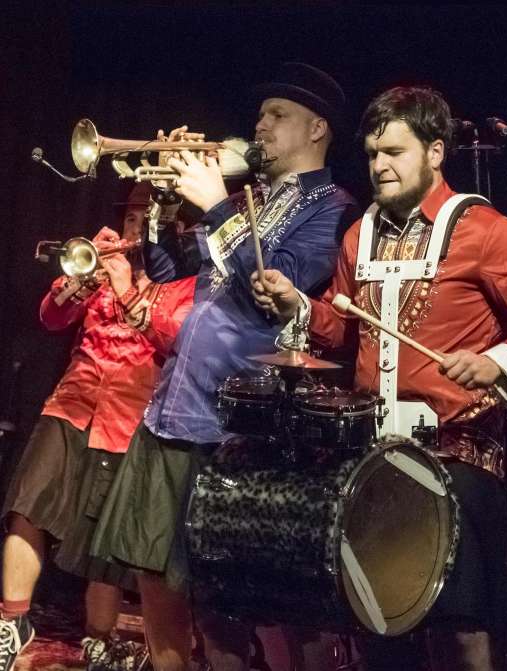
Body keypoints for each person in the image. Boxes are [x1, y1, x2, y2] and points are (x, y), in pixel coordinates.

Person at [251, 85, 507, 671]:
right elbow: (345, 328)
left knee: (463, 625)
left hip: (458, 453)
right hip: (375, 456)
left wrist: (496, 361)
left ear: (435, 152)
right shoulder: (360, 234)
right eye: (373, 153)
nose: (379, 166)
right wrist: (298, 306)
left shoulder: (484, 230)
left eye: (395, 152)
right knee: (379, 622)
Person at [89, 63, 357, 671]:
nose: (259, 127)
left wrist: (215, 207)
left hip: (241, 423)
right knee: (155, 569)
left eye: (276, 115)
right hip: (175, 405)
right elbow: (166, 270)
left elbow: (280, 276)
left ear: (317, 129)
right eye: (260, 115)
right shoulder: (246, 202)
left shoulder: (334, 208)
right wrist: (162, 207)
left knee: (240, 597)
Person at [0, 183, 196, 671]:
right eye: (132, 217)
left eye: (146, 219)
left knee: (105, 540)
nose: (135, 228)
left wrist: (128, 288)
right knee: (28, 503)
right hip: (73, 400)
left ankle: (98, 640)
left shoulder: (187, 280)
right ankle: (11, 623)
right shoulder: (100, 255)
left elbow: (177, 340)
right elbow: (50, 318)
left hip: (132, 414)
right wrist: (78, 280)